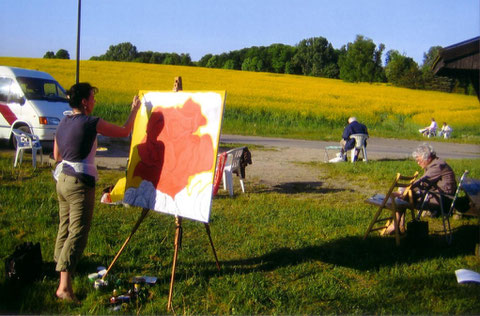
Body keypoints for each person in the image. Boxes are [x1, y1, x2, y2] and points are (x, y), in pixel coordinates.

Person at [53, 83, 141, 301]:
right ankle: (64, 288)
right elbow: (123, 131)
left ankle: (61, 275)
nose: (94, 101)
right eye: (92, 97)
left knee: (64, 229)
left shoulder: (63, 121)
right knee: (77, 233)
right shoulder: (91, 122)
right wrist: (135, 110)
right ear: (84, 102)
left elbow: (56, 155)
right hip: (79, 184)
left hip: (62, 180)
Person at [385, 143, 457, 234]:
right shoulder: (436, 163)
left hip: (443, 200)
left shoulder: (437, 166)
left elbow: (422, 182)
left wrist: (404, 190)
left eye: (419, 160)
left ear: (428, 158)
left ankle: (396, 226)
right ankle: (399, 225)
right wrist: (406, 191)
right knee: (406, 195)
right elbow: (424, 185)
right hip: (438, 196)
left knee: (404, 198)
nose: (418, 163)